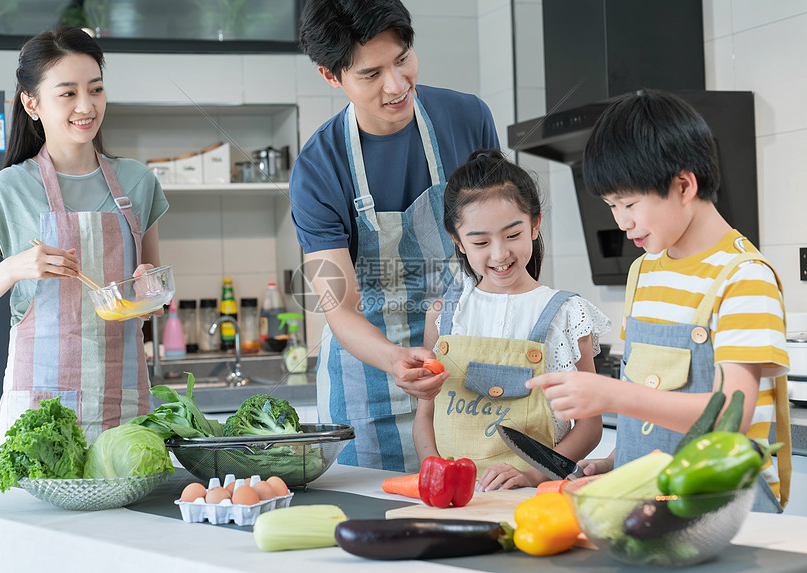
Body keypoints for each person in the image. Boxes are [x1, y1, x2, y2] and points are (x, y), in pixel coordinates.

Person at [526, 89, 791, 513]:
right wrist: (619, 462)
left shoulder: (743, 278)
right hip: (654, 505)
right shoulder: (644, 272)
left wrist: (610, 395)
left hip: (725, 512)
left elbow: (730, 419)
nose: (622, 221)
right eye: (612, 205)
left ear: (684, 185)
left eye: (630, 203)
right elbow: (647, 395)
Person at [291, 0, 500, 471]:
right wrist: (395, 359)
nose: (397, 85)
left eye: (403, 58)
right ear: (331, 76)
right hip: (369, 380)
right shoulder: (318, 169)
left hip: (465, 363)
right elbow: (337, 305)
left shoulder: (468, 119)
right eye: (370, 74)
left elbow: (502, 245)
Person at [0, 27, 169, 451]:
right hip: (38, 420)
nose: (86, 106)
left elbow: (154, 289)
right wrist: (14, 269)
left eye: (96, 89)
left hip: (124, 415)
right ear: (31, 103)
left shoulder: (138, 182)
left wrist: (151, 289)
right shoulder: (7, 190)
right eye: (67, 93)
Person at [412, 149, 609, 490]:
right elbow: (425, 415)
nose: (500, 253)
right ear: (458, 242)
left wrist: (532, 476)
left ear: (535, 225)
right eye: (481, 241)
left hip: (533, 493)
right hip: (454, 493)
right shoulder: (444, 315)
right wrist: (436, 470)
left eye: (513, 235)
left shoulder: (566, 314)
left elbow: (590, 427)